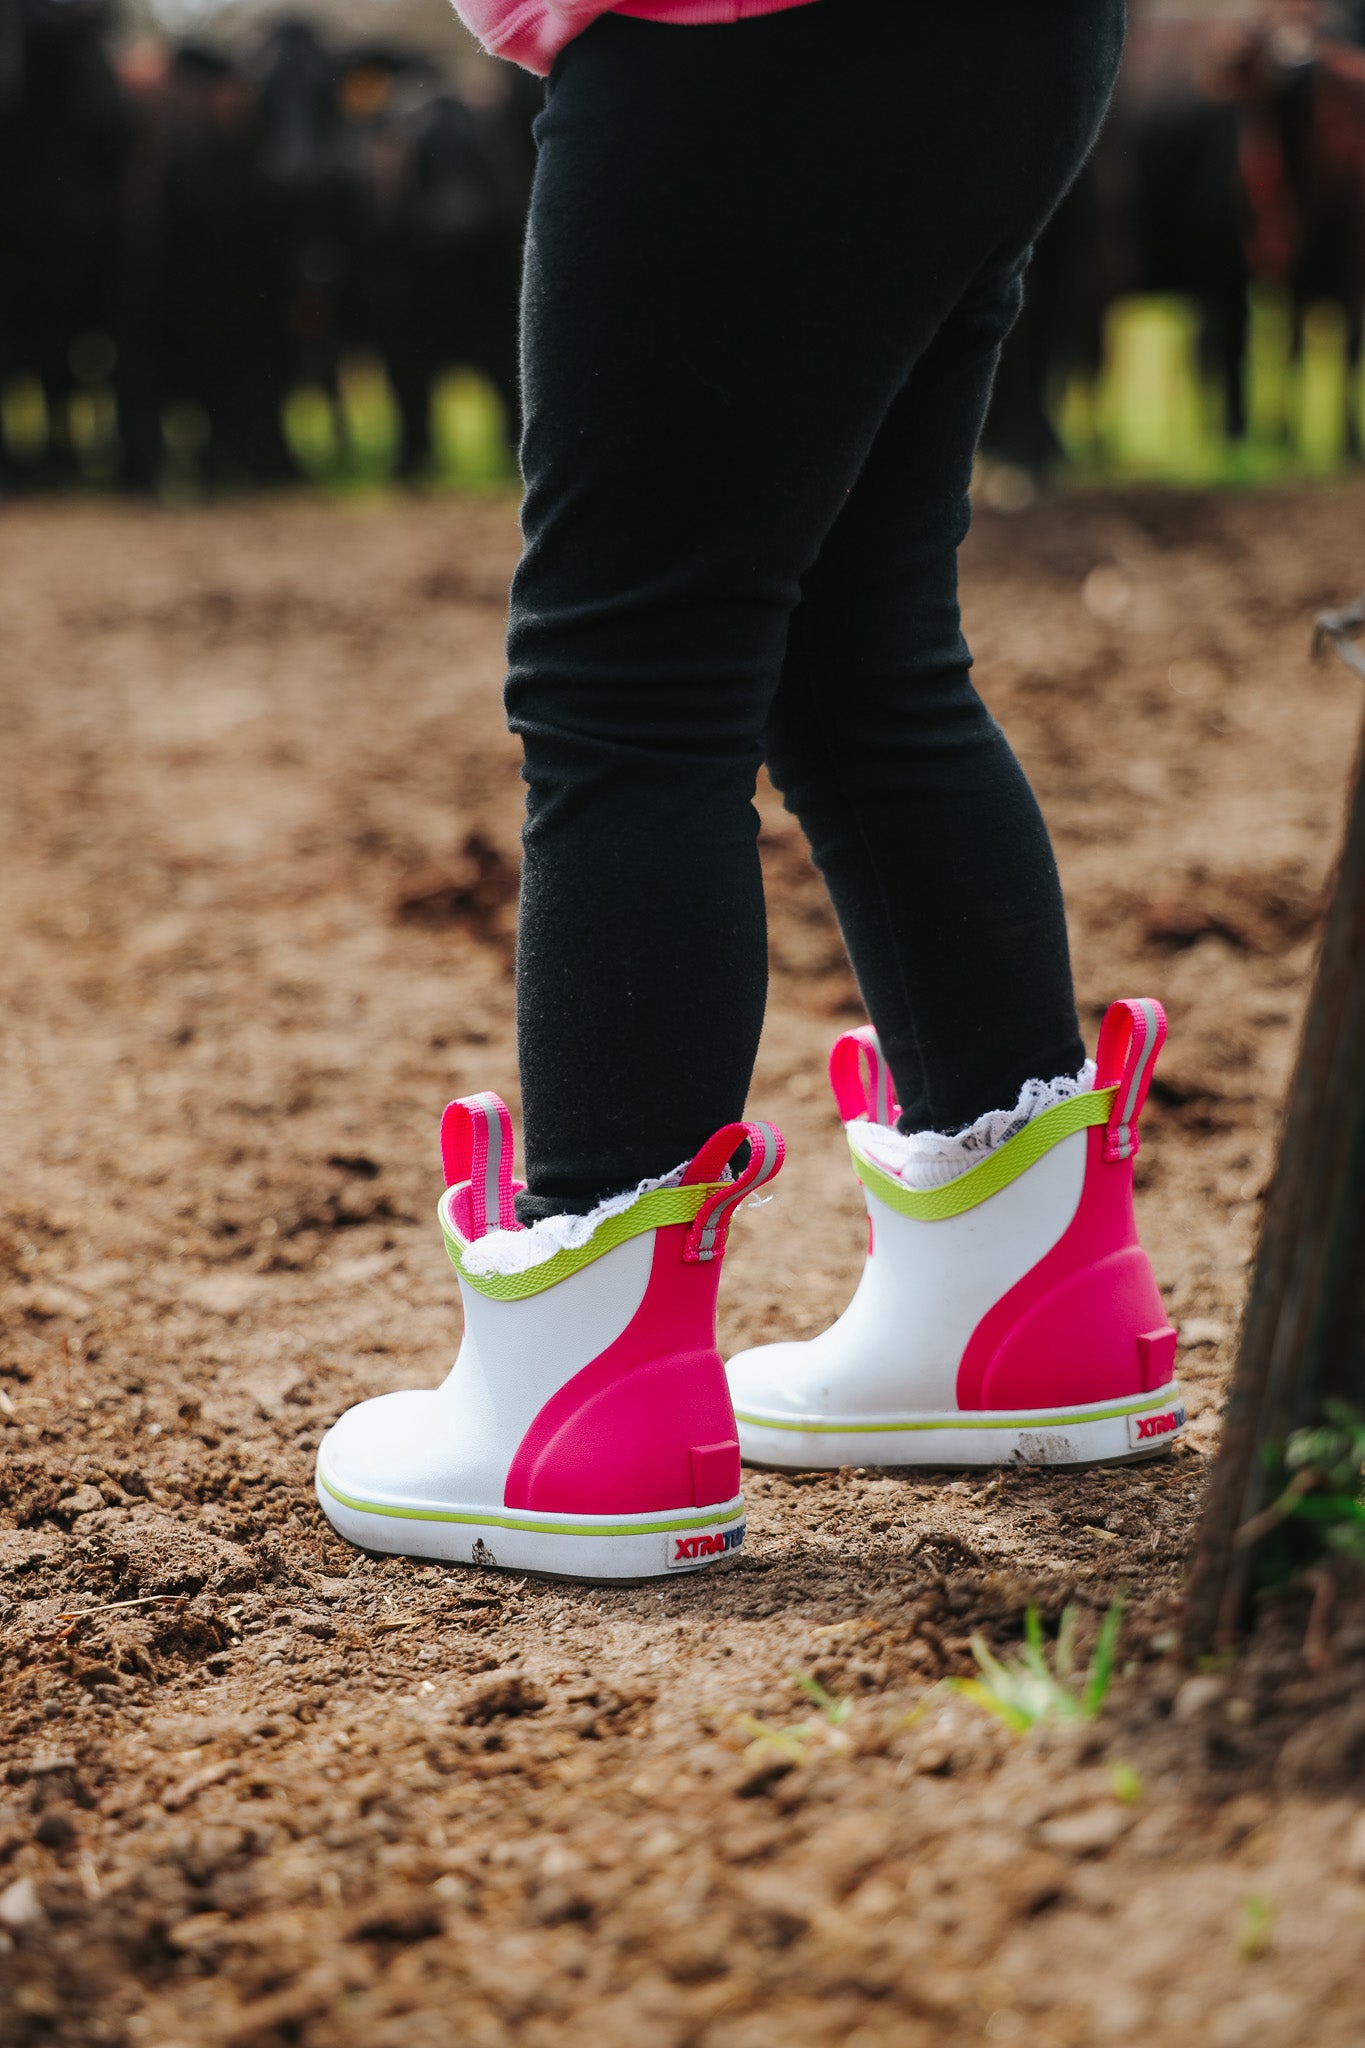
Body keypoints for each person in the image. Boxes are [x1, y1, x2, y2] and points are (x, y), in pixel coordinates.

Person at [315, 0, 1186, 1585]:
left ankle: (587, 1412)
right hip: (1015, 41)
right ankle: (1021, 1311)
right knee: (860, 648)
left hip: (738, 36)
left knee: (626, 678)